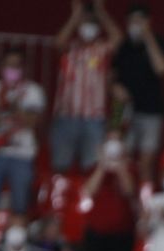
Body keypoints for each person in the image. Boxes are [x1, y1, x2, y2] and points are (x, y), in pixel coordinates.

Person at [51, 0, 121, 173]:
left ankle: (86, 200)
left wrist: (101, 12)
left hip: (94, 118)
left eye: (92, 23)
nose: (88, 27)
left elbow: (118, 39)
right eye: (85, 23)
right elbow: (58, 43)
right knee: (61, 165)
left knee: (91, 167)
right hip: (67, 115)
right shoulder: (70, 47)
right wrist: (75, 17)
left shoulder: (101, 49)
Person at [0, 48, 46, 216]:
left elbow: (34, 122)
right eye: (9, 65)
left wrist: (17, 106)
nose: (13, 69)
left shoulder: (33, 92)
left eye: (17, 65)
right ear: (2, 67)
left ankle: (17, 237)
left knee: (20, 205)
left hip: (22, 154)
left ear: (24, 68)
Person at [113, 3, 164, 181]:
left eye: (139, 21)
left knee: (146, 163)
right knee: (121, 158)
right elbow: (112, 75)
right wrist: (114, 87)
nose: (135, 24)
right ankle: (122, 200)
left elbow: (161, 68)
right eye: (132, 21)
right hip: (124, 110)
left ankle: (145, 202)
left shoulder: (158, 42)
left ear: (148, 22)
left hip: (150, 110)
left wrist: (147, 37)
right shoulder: (124, 45)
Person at [80, 130, 137, 251]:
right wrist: (102, 165)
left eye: (117, 142)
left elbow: (129, 190)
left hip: (121, 235)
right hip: (96, 234)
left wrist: (120, 167)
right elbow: (89, 191)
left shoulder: (131, 169)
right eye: (109, 142)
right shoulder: (93, 169)